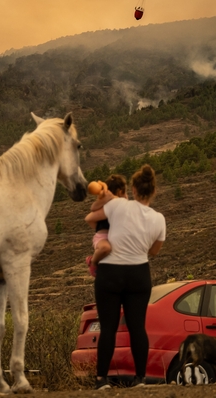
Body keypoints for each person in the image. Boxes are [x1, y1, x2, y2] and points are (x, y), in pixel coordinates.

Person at [84, 165, 166, 390]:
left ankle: (101, 380)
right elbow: (154, 251)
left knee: (108, 328)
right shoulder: (159, 219)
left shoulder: (118, 205)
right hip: (138, 274)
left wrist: (104, 195)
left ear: (132, 187)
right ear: (153, 191)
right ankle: (140, 379)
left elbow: (93, 214)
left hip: (110, 273)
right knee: (137, 328)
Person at [84, 174, 128, 277]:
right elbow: (92, 209)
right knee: (105, 248)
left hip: (115, 237)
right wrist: (105, 200)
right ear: (120, 191)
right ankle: (93, 262)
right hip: (103, 236)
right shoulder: (106, 202)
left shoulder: (122, 203)